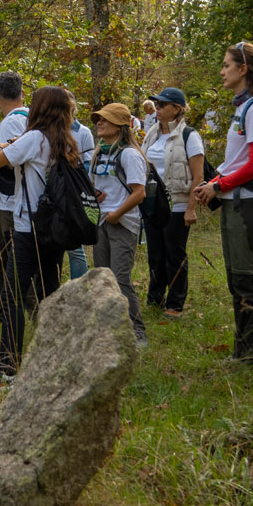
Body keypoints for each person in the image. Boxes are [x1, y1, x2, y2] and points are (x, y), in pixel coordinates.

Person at [0, 86, 81, 386]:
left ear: (40, 109)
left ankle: (6, 368)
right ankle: (56, 364)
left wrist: (6, 146)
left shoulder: (34, 138)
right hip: (54, 230)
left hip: (28, 229)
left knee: (12, 295)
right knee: (49, 295)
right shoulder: (66, 141)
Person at [193, 41, 253, 361]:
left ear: (243, 69)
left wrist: (217, 187)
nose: (222, 71)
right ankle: (244, 351)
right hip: (235, 201)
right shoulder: (244, 108)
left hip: (249, 204)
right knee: (236, 278)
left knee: (248, 279)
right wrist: (214, 184)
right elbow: (238, 162)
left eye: (227, 65)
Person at [142, 86, 205, 319]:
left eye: (162, 105)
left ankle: (175, 304)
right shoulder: (152, 133)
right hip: (153, 205)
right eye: (156, 105)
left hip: (177, 206)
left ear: (176, 109)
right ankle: (154, 299)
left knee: (174, 255)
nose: (157, 109)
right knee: (155, 254)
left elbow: (198, 176)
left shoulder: (189, 136)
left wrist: (191, 209)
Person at [90, 103, 148, 348]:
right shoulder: (99, 153)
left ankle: (137, 333)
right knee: (104, 279)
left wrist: (116, 213)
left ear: (120, 126)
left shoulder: (129, 154)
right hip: (100, 222)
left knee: (120, 279)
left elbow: (139, 193)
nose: (99, 123)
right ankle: (109, 331)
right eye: (98, 120)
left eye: (105, 119)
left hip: (122, 223)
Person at [0, 71, 30, 323]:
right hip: (22, 200)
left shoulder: (10, 122)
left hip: (11, 203)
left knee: (2, 258)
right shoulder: (31, 116)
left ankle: (5, 312)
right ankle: (3, 310)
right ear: (22, 92)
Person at [67, 91, 95, 280]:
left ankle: (80, 288)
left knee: (74, 247)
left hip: (74, 193)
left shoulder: (83, 132)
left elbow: (88, 165)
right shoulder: (47, 130)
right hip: (50, 192)